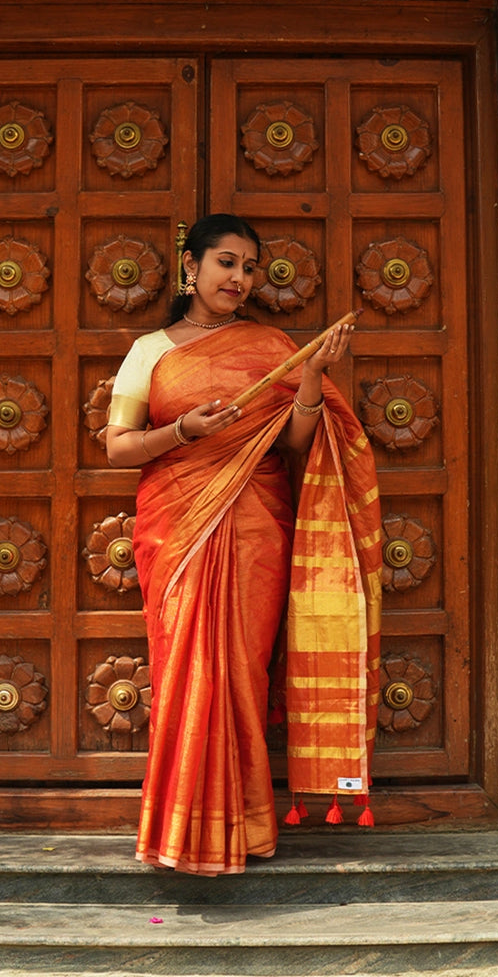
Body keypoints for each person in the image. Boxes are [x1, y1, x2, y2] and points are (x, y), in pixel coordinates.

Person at [105, 214, 383, 876]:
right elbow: (117, 447)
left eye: (249, 267)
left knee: (241, 676)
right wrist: (185, 432)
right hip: (177, 529)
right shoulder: (150, 350)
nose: (239, 278)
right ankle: (181, 830)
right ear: (190, 267)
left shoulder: (270, 346)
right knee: (185, 674)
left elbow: (294, 443)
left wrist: (312, 375)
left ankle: (245, 829)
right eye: (226, 262)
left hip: (258, 524)